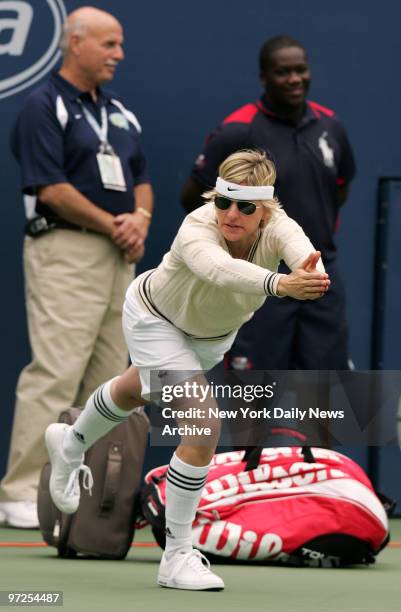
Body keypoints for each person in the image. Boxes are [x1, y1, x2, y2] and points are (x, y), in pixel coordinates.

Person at [44, 149, 330, 590]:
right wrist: (280, 284)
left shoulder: (280, 227)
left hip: (209, 339)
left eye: (246, 207)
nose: (231, 214)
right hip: (154, 319)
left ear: (266, 210)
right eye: (223, 202)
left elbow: (306, 259)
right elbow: (219, 270)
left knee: (133, 391)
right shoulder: (196, 227)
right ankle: (177, 555)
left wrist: (311, 276)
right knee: (202, 425)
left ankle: (71, 441)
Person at [0, 6, 154, 529]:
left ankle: (93, 498)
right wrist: (116, 224)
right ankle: (21, 490)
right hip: (66, 250)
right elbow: (51, 188)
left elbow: (141, 177)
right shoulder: (44, 106)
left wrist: (141, 217)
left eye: (121, 45)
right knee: (56, 371)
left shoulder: (120, 112)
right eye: (110, 45)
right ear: (77, 43)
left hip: (118, 258)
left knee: (112, 381)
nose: (119, 55)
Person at [181, 35, 356, 373]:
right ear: (264, 78)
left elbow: (340, 190)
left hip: (319, 273)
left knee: (324, 387)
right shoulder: (238, 130)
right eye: (283, 72)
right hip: (259, 275)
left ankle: (309, 430)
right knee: (256, 388)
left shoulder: (331, 127)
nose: (294, 79)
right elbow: (194, 198)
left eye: (300, 70)